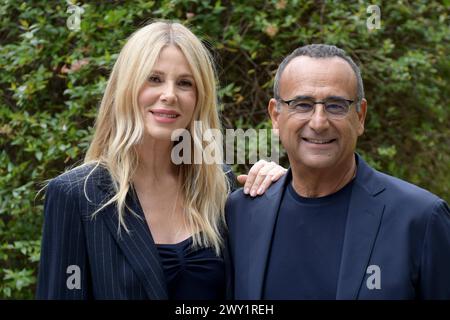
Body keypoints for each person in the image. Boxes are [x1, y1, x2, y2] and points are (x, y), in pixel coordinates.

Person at [36, 21, 286, 300]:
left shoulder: (219, 184)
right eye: (153, 79)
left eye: (184, 83)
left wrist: (282, 190)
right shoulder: (77, 195)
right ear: (126, 87)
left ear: (199, 97)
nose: (169, 95)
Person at [226, 44, 450, 300]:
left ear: (360, 116)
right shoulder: (241, 213)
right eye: (302, 104)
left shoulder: (420, 219)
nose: (319, 122)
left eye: (336, 106)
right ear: (276, 116)